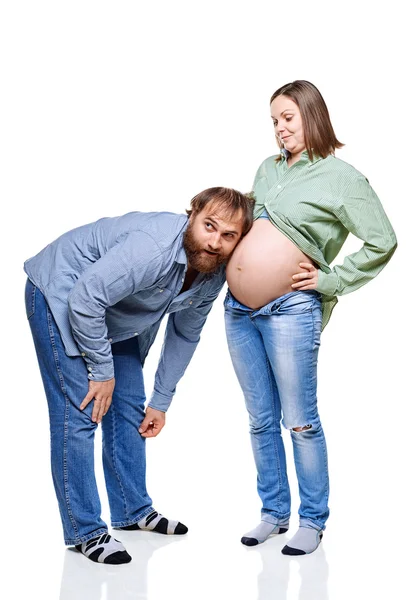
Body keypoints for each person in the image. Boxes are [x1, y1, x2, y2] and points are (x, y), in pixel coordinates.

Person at [24, 187, 253, 564]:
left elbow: (184, 332)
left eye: (228, 236)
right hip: (63, 293)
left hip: (112, 312)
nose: (214, 242)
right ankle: (85, 531)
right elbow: (85, 298)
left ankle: (132, 511)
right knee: (82, 410)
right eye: (209, 226)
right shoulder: (154, 248)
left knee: (130, 406)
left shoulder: (214, 274)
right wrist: (100, 371)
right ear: (192, 215)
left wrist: (160, 402)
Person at [225, 80, 397, 556]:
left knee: (299, 420)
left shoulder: (342, 177)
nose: (280, 129)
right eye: (274, 121)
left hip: (289, 309)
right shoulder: (266, 170)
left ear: (311, 115)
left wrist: (331, 281)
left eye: (288, 118)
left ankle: (312, 521)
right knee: (261, 420)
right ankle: (272, 514)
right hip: (240, 312)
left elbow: (383, 241)